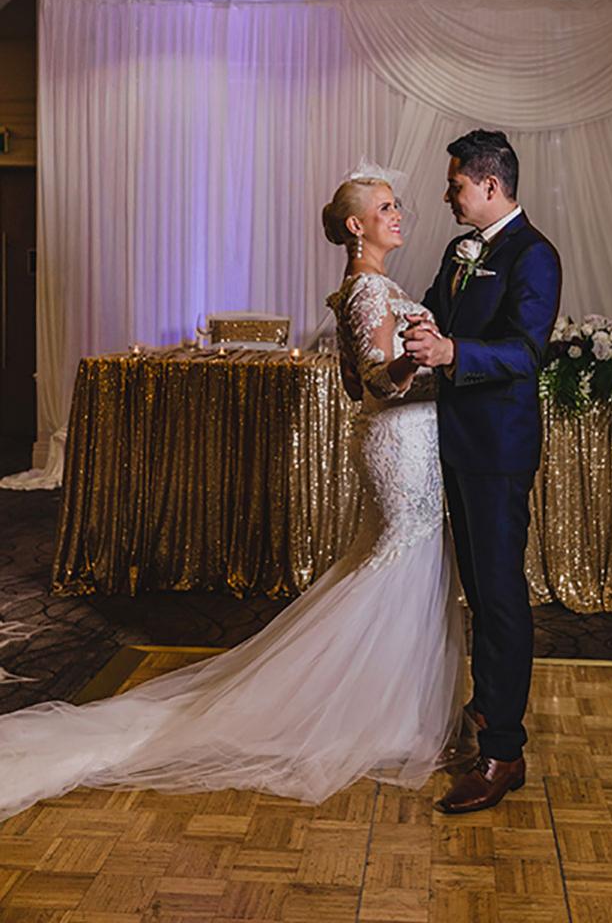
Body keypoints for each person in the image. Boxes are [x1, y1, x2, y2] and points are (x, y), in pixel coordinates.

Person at [0, 170, 465, 821]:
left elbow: (345, 389)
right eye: (384, 208)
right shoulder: (364, 291)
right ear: (355, 225)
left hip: (403, 441)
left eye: (396, 205)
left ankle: (389, 706)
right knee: (398, 559)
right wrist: (421, 361)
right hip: (397, 440)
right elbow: (376, 386)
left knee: (398, 560)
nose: (398, 214)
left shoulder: (369, 288)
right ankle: (360, 710)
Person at [404, 129, 561, 814]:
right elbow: (434, 313)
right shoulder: (457, 251)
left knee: (498, 597)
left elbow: (526, 353)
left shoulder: (534, 255)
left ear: (490, 185)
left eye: (456, 184)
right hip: (454, 442)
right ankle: (481, 717)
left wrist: (450, 352)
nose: (448, 194)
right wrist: (404, 328)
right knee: (473, 588)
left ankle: (503, 749)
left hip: (498, 450)